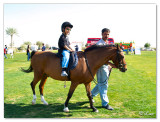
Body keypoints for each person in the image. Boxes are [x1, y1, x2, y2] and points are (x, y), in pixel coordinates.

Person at [91, 28, 116, 110]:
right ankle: (105, 103)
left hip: (105, 65)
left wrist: (109, 65)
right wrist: (111, 64)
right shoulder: (100, 44)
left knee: (101, 83)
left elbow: (107, 57)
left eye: (108, 34)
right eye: (105, 34)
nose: (107, 36)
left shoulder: (106, 43)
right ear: (101, 34)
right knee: (104, 84)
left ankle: (91, 95)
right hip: (101, 66)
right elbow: (100, 59)